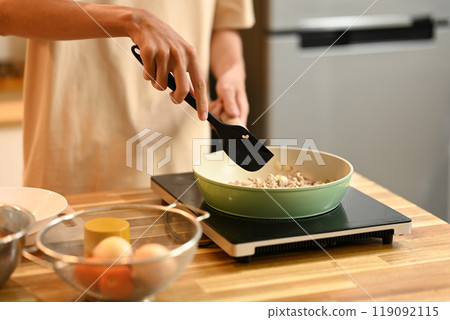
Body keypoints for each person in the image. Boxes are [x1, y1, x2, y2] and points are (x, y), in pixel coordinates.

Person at [0, 0, 254, 195]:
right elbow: (7, 12)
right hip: (75, 158)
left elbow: (223, 26)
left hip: (179, 166)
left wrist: (232, 72)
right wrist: (132, 20)